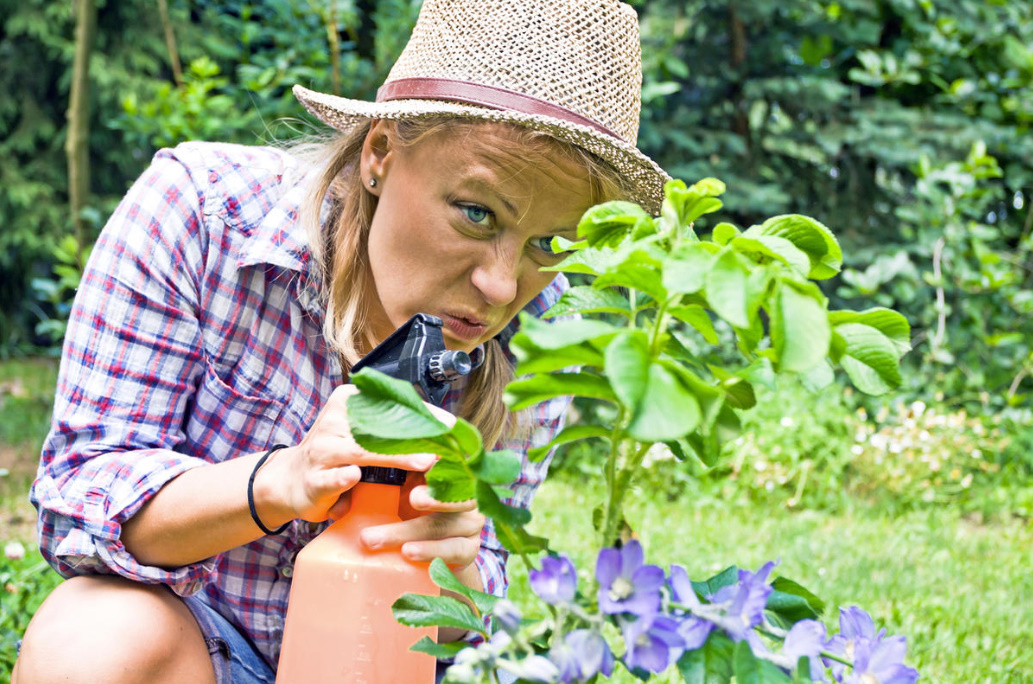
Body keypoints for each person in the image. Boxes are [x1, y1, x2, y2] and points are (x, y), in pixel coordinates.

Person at [13, 0, 668, 682]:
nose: (503, 286)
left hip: (373, 658)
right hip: (197, 651)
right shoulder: (203, 216)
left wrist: (456, 568)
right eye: (476, 213)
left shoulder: (548, 329)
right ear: (379, 154)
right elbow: (78, 507)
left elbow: (466, 627)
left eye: (547, 243)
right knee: (92, 638)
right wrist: (280, 482)